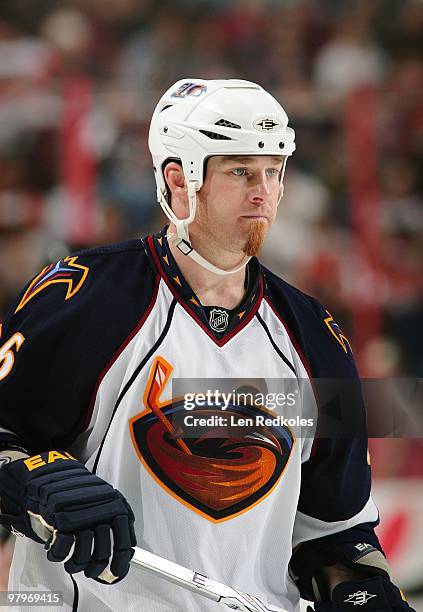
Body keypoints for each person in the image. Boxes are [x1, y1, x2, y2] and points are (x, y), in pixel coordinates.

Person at [0, 78, 415, 612]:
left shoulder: (315, 335)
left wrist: (363, 594)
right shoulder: (84, 300)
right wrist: (32, 484)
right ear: (179, 179)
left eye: (273, 171)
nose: (263, 191)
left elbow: (334, 535)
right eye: (240, 171)